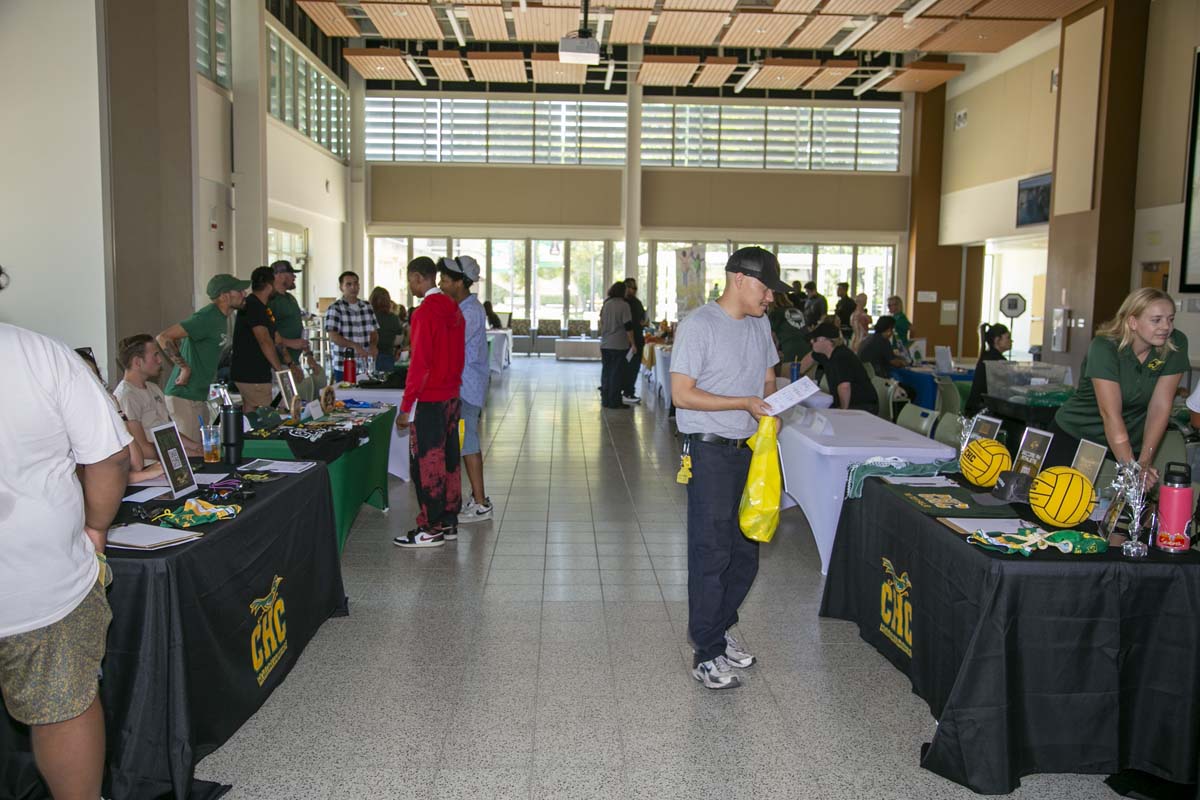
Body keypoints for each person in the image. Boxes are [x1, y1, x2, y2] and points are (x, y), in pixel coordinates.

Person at [0, 323, 132, 800]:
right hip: (40, 580)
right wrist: (97, 527)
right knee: (63, 705)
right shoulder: (39, 354)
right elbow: (111, 458)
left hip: (39, 580)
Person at [670, 246, 785, 690]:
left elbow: (768, 378)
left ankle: (718, 628)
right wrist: (742, 403)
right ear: (739, 279)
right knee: (711, 553)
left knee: (746, 552)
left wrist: (772, 402)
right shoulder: (699, 326)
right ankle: (707, 651)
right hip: (710, 452)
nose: (769, 298)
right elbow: (682, 394)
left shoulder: (761, 324)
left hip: (749, 450)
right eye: (765, 288)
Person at [1049, 288, 1188, 478]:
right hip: (1078, 435)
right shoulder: (1104, 347)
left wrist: (1144, 463)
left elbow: (1160, 406)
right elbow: (1110, 413)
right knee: (1063, 504)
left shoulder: (1175, 343)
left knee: (1129, 506)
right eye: (1156, 320)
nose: (1166, 327)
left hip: (1130, 442)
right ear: (1132, 322)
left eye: (1170, 319)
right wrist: (1131, 470)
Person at [393, 257, 466, 548]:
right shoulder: (454, 308)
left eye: (410, 280)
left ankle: (430, 526)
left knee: (427, 463)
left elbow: (419, 363)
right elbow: (459, 355)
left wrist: (406, 406)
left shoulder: (424, 313)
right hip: (451, 395)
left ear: (417, 278)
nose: (409, 285)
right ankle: (448, 520)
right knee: (449, 459)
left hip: (431, 399)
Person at [157, 273, 249, 442]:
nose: (244, 294)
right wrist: (184, 367)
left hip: (199, 395)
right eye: (239, 290)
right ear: (223, 295)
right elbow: (164, 337)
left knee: (204, 449)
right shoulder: (206, 317)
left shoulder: (224, 318)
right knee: (192, 455)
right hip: (184, 396)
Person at [438, 256, 494, 524]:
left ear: (461, 282)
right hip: (460, 385)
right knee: (463, 442)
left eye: (446, 280)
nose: (441, 284)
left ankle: (481, 502)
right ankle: (476, 498)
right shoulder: (460, 307)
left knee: (468, 442)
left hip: (467, 387)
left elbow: (450, 344)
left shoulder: (470, 312)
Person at [80, 348, 168, 483]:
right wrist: (145, 475)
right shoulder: (73, 421)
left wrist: (119, 415)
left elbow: (136, 463)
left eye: (94, 377)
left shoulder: (101, 411)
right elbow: (91, 480)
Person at [113, 334, 202, 460]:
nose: (160, 360)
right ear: (137, 362)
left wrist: (197, 447)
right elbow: (141, 449)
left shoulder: (153, 388)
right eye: (155, 355)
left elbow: (169, 432)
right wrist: (183, 453)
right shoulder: (127, 396)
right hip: (151, 466)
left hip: (171, 457)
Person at [232, 266, 291, 414]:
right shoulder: (253, 306)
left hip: (252, 372)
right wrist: (279, 371)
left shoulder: (261, 307)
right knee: (266, 418)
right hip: (253, 373)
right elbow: (264, 340)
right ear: (269, 286)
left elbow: (276, 338)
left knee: (250, 413)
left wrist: (290, 364)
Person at [810, 322, 878, 414]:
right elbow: (809, 357)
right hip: (853, 404)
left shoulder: (841, 357)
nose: (811, 342)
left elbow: (844, 387)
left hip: (862, 407)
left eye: (815, 339)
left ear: (826, 341)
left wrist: (842, 412)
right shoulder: (827, 354)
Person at [324, 270, 378, 381]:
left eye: (356, 283)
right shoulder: (335, 308)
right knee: (345, 397)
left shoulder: (367, 306)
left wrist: (373, 345)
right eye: (348, 284)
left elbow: (374, 332)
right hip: (344, 365)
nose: (353, 287)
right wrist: (354, 346)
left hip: (366, 365)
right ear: (341, 287)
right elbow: (333, 336)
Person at [598, 282, 635, 410]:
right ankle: (615, 401)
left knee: (606, 372)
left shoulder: (606, 304)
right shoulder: (624, 305)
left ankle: (605, 400)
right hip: (619, 344)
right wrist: (633, 343)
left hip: (605, 344)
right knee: (617, 374)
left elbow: (601, 321)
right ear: (622, 292)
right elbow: (628, 326)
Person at [268, 260, 309, 364]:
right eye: (291, 274)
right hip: (278, 362)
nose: (294, 277)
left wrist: (309, 355)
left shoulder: (290, 298)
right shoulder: (271, 300)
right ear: (280, 276)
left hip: (294, 360)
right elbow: (265, 334)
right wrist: (290, 343)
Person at [965, 323, 1010, 416]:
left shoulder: (986, 356)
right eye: (1008, 338)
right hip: (984, 411)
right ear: (997, 340)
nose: (1011, 341)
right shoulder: (998, 361)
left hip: (975, 408)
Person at [768, 294, 812, 373]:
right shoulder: (797, 311)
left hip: (790, 353)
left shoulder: (775, 313)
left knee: (788, 383)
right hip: (808, 353)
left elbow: (772, 338)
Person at [622, 277, 648, 402]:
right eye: (631, 287)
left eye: (634, 288)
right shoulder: (633, 303)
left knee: (626, 368)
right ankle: (628, 392)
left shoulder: (624, 302)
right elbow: (641, 321)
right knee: (631, 368)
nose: (633, 290)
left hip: (627, 340)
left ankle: (623, 391)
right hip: (634, 340)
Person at [370, 286, 402, 372]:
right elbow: (398, 340)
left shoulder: (369, 317)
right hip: (388, 355)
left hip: (371, 356)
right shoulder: (394, 318)